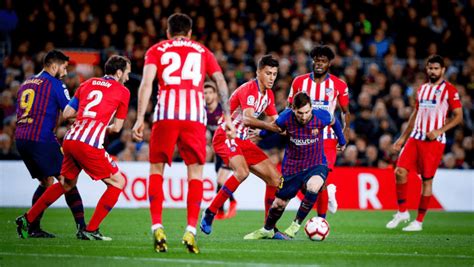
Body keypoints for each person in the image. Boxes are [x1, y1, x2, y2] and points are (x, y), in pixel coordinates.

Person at [131, 13, 235, 254]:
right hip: (194, 117)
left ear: (168, 32)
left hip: (165, 114)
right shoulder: (202, 51)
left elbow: (146, 84)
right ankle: (190, 230)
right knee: (195, 173)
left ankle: (157, 225)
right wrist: (227, 116)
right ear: (189, 32)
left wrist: (139, 119)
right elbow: (220, 81)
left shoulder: (156, 49)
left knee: (156, 169)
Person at [16, 55, 131, 241]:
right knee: (118, 182)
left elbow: (68, 113)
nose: (127, 77)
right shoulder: (123, 91)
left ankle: (27, 219)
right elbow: (117, 128)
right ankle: (91, 229)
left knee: (66, 183)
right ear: (118, 73)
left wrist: (86, 118)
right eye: (127, 73)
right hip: (88, 143)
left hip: (70, 139)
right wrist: (101, 125)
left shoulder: (87, 84)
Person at [200, 55, 284, 236]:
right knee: (242, 172)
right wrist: (269, 127)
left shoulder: (268, 95)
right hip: (226, 135)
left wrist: (295, 125)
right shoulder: (248, 89)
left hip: (243, 141)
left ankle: (269, 228)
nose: (271, 77)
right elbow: (247, 119)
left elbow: (277, 122)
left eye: (274, 74)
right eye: (268, 73)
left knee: (276, 179)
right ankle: (210, 211)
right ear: (258, 72)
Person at [244, 92, 346, 239]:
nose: (304, 117)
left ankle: (295, 225)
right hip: (293, 167)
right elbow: (275, 128)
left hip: (316, 163)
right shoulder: (285, 117)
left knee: (314, 185)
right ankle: (267, 229)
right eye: (300, 113)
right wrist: (261, 133)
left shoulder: (321, 115)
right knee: (278, 204)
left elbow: (334, 122)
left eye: (307, 112)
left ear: (311, 108)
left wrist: (341, 141)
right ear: (293, 109)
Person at [386, 54, 463, 231]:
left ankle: (419, 221)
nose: (433, 71)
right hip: (415, 137)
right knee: (399, 171)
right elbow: (415, 114)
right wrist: (402, 138)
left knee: (427, 181)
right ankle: (402, 211)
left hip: (434, 142)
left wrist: (439, 131)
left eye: (436, 68)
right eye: (430, 68)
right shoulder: (422, 89)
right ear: (427, 69)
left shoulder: (449, 90)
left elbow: (458, 116)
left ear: (443, 70)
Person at [14, 49, 86, 238]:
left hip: (21, 139)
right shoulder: (56, 84)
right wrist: (93, 116)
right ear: (54, 65)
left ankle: (33, 228)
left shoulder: (26, 83)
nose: (65, 70)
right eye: (64, 66)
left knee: (47, 182)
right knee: (68, 179)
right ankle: (83, 228)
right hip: (41, 138)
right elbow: (69, 113)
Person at [287, 45, 350, 218]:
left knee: (320, 180)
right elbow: (289, 108)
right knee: (303, 183)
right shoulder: (299, 82)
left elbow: (345, 112)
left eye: (323, 61)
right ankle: (329, 192)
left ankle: (321, 220)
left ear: (329, 63)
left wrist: (345, 133)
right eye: (316, 60)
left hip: (327, 138)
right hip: (303, 138)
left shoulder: (338, 85)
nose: (319, 64)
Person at [204, 80, 237, 220]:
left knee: (221, 179)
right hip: (217, 151)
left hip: (228, 147)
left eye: (210, 92)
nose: (207, 95)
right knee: (220, 180)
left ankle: (231, 203)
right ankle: (222, 211)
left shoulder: (222, 111)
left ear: (216, 95)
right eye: (205, 93)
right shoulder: (203, 112)